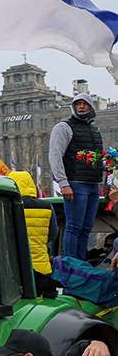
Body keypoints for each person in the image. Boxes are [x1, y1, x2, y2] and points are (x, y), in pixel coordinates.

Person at [49, 93, 104, 260]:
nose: (81, 106)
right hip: (75, 184)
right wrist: (63, 183)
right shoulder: (64, 127)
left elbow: (97, 157)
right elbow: (55, 155)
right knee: (73, 227)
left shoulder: (94, 129)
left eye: (84, 104)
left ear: (91, 106)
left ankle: (82, 265)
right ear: (73, 107)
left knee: (86, 228)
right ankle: (72, 267)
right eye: (78, 104)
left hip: (93, 185)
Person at [9, 171, 59, 297]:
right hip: (42, 268)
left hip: (16, 270)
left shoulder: (8, 205)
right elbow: (53, 234)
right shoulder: (47, 206)